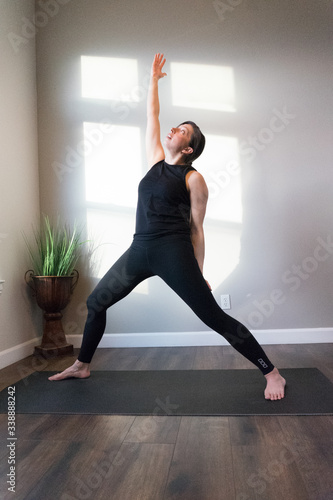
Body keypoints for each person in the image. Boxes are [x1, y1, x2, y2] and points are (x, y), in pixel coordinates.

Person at [49, 53, 286, 401]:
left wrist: (199, 270)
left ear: (188, 147)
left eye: (182, 131)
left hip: (172, 250)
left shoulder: (194, 178)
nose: (173, 130)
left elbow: (198, 230)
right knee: (97, 301)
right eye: (177, 126)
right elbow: (152, 117)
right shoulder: (155, 162)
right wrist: (153, 82)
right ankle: (83, 365)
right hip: (139, 248)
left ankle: (272, 372)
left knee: (213, 317)